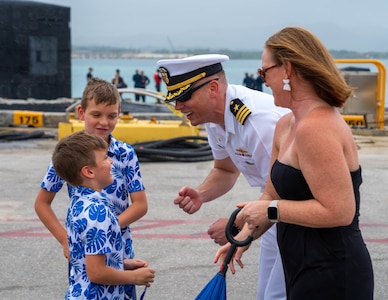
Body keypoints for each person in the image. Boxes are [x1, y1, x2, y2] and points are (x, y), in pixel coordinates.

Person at [215, 27, 374, 300]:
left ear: (288, 69)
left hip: (333, 270)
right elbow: (272, 193)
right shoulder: (286, 124)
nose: (262, 80)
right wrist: (246, 234)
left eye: (265, 72)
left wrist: (269, 211)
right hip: (302, 266)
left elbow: (339, 211)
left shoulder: (316, 127)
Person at [156, 54, 289, 300]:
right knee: (267, 296)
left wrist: (239, 228)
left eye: (184, 97)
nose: (178, 106)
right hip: (272, 212)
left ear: (213, 88)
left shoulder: (256, 122)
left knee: (280, 295)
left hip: (294, 214)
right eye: (174, 98)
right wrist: (201, 194)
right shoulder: (214, 119)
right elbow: (226, 170)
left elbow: (282, 188)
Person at [34, 78, 149, 300]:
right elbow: (41, 202)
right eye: (96, 114)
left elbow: (141, 205)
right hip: (86, 247)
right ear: (81, 112)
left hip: (119, 248)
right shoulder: (70, 154)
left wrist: (108, 228)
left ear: (119, 114)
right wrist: (64, 239)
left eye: (112, 115)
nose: (104, 122)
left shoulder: (125, 154)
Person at [52, 131, 155, 299]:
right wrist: (135, 277)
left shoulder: (79, 203)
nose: (111, 161)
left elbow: (87, 260)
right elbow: (97, 273)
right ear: (89, 172)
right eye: (105, 158)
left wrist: (121, 264)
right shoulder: (97, 213)